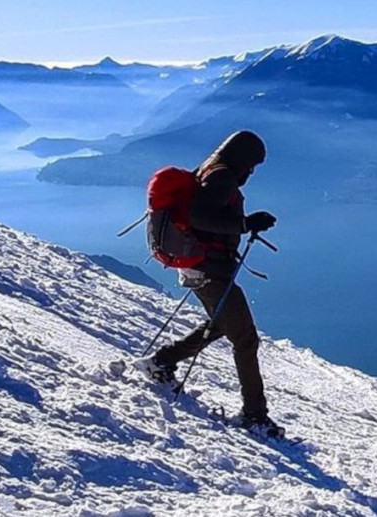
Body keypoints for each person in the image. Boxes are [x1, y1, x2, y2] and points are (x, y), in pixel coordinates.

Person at [134, 130, 281, 435]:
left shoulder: (209, 169)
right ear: (242, 159)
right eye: (251, 165)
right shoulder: (222, 177)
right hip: (210, 270)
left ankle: (161, 361)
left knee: (222, 324)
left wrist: (244, 224)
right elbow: (200, 217)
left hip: (200, 266)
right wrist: (245, 224)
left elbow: (203, 217)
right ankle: (255, 416)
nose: (251, 172)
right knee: (245, 339)